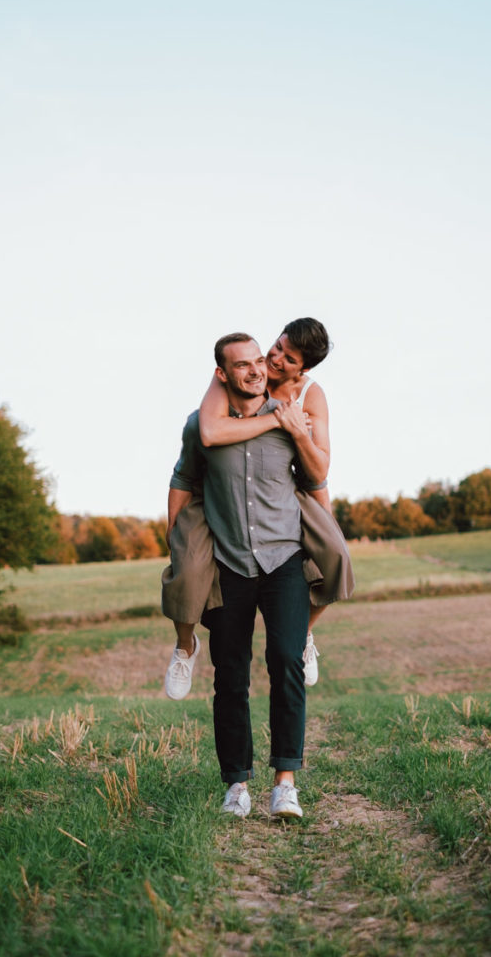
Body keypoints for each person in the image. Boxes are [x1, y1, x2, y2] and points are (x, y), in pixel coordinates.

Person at [166, 333, 324, 818]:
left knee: (285, 662)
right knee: (230, 676)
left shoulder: (290, 417)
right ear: (223, 374)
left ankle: (285, 784)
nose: (257, 369)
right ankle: (236, 785)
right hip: (229, 564)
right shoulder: (201, 425)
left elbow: (318, 476)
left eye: (261, 361)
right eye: (243, 365)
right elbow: (182, 480)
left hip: (284, 562)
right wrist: (178, 542)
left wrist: (298, 432)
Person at [163, 318, 352, 700]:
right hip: (221, 489)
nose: (273, 357)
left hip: (286, 486)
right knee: (187, 567)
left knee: (335, 555)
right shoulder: (236, 376)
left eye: (288, 357)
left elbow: (319, 471)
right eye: (277, 346)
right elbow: (211, 433)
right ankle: (185, 646)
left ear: (304, 369)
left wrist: (297, 430)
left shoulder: (311, 396)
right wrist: (274, 421)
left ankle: (305, 633)